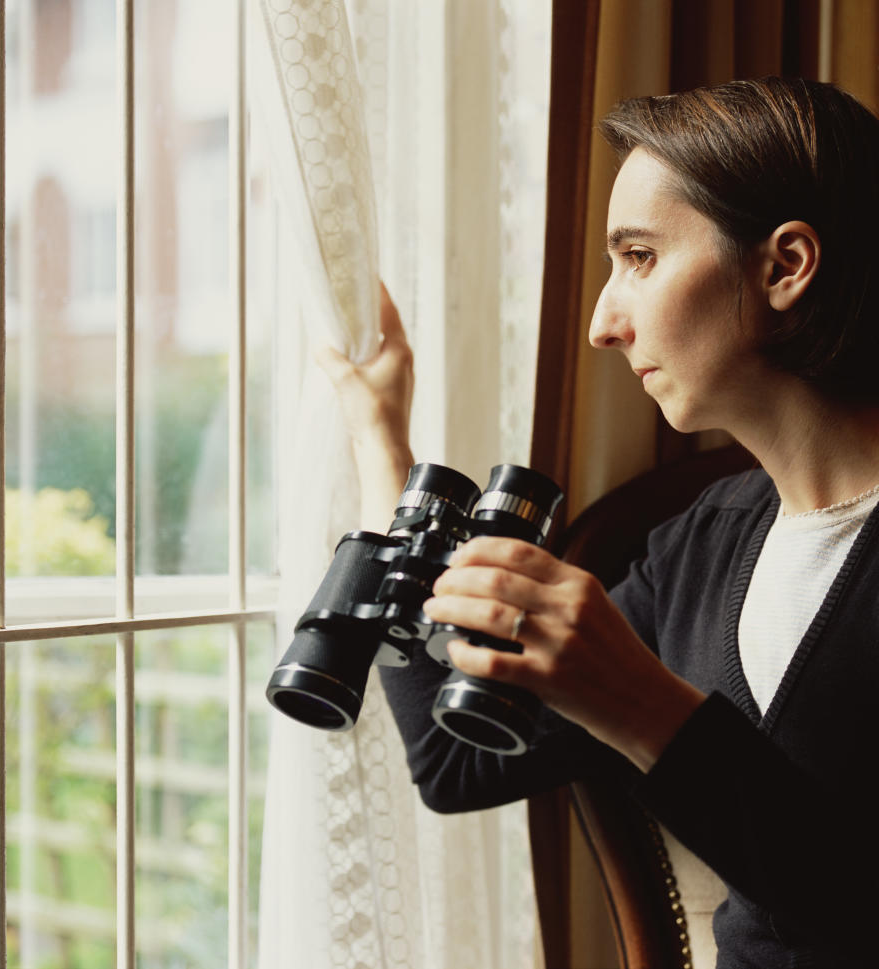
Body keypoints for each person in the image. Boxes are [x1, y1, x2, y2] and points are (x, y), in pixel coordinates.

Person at [317, 76, 879, 968]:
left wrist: (643, 705)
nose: (600, 324)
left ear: (784, 266)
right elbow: (457, 761)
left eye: (641, 257)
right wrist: (382, 439)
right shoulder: (700, 545)